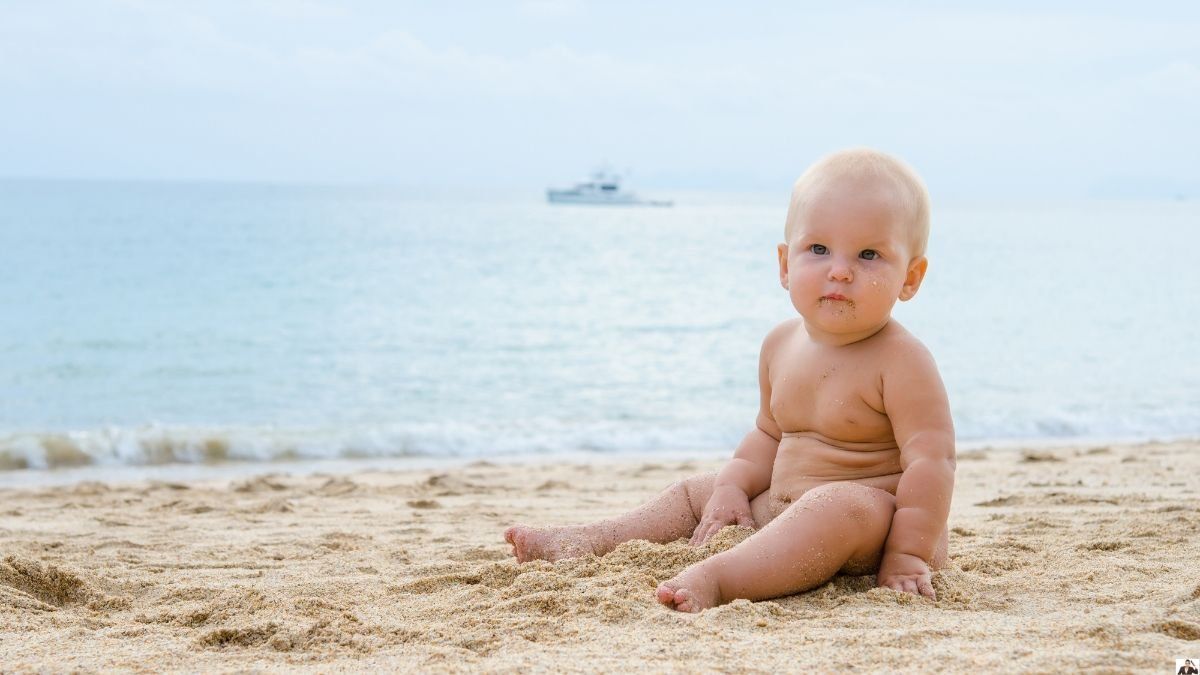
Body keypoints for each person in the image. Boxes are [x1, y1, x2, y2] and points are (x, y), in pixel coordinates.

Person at [504, 148, 955, 612]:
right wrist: (732, 487)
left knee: (838, 504)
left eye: (868, 254)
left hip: (873, 528)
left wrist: (908, 554)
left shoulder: (903, 361)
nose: (839, 269)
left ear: (911, 277)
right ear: (785, 264)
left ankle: (719, 578)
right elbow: (768, 434)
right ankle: (587, 540)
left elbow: (931, 463)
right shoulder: (781, 344)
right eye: (818, 249)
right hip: (783, 511)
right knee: (696, 491)